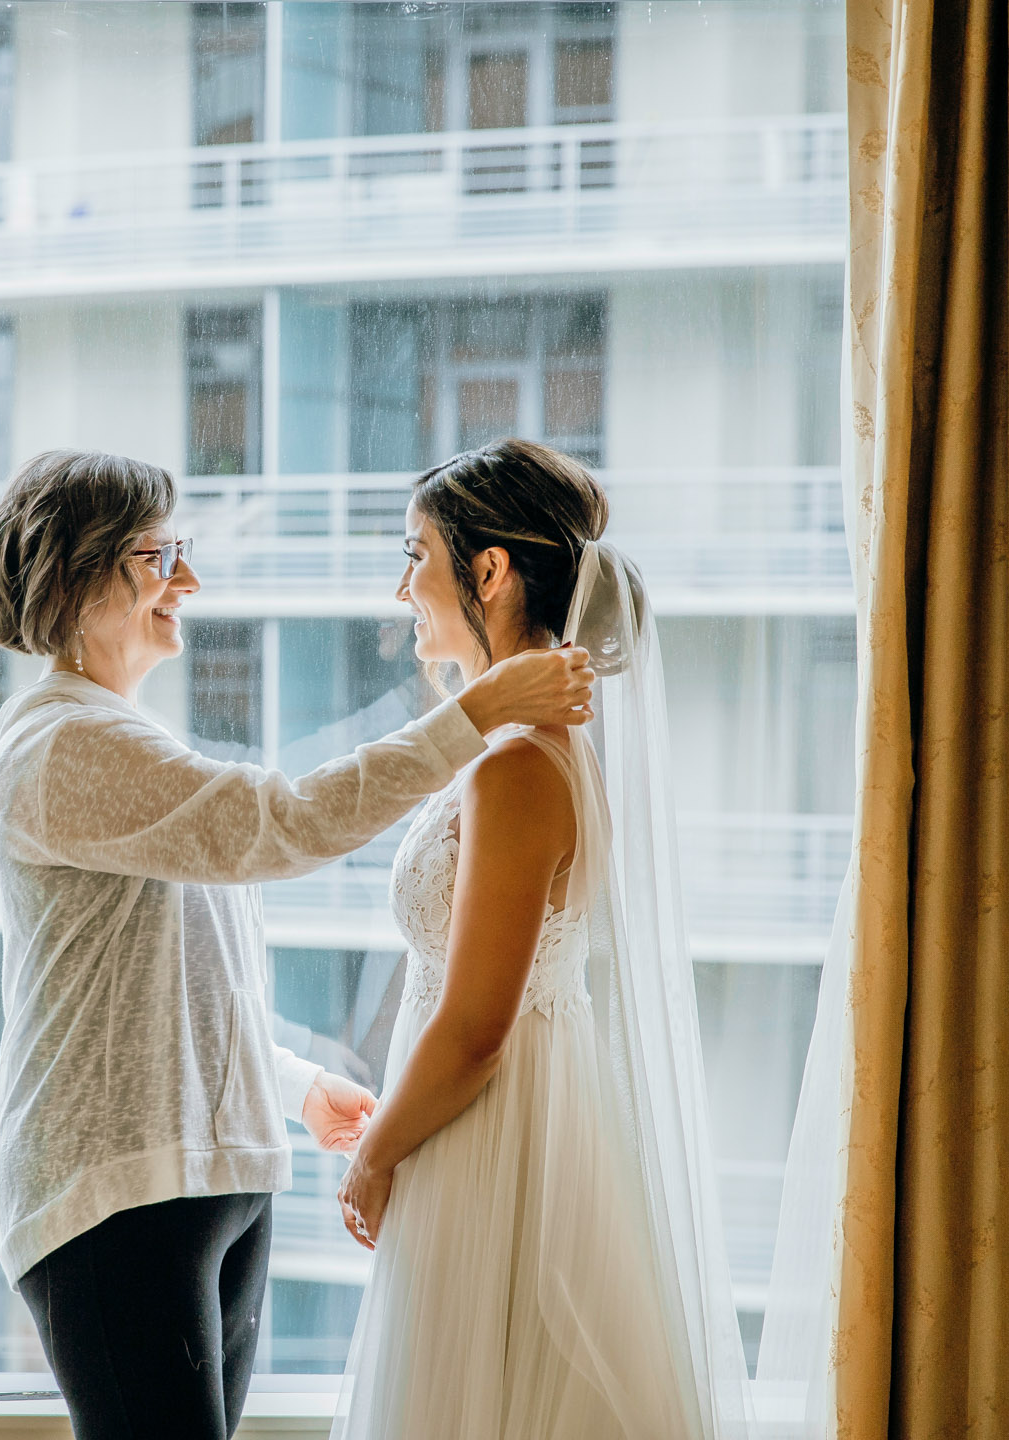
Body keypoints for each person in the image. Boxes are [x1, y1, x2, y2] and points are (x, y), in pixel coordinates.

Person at [0, 450, 595, 1440]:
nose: (189, 580)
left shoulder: (124, 739)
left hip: (214, 1177)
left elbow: (172, 978)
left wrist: (292, 1080)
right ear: (79, 570)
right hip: (117, 1195)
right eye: (161, 554)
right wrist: (471, 715)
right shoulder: (57, 748)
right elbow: (284, 823)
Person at [331, 439, 753, 1439]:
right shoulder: (527, 749)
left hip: (493, 1136)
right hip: (517, 1111)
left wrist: (376, 1154)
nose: (403, 587)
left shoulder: (513, 767)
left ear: (489, 570)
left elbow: (478, 1021)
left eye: (416, 554)